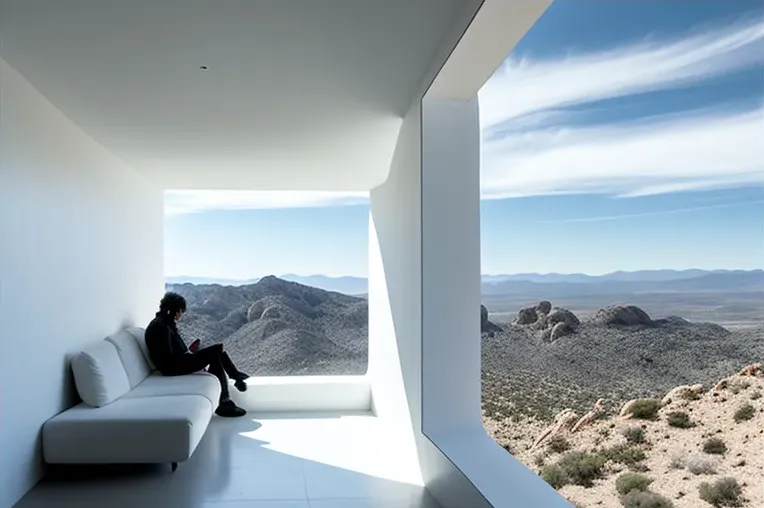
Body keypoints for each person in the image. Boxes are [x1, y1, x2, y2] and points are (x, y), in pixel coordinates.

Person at [145, 292, 249, 417]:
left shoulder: (164, 323)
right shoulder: (161, 327)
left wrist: (190, 352)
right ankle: (235, 379)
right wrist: (192, 358)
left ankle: (225, 402)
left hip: (180, 361)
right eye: (180, 311)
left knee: (216, 355)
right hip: (174, 367)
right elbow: (168, 358)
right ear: (172, 310)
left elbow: (172, 350)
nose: (181, 314)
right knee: (218, 349)